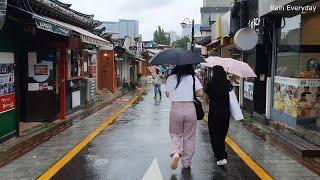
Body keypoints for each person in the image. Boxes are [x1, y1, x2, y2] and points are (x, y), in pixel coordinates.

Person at [165, 64, 203, 170]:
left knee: (175, 134)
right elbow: (200, 93)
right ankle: (186, 163)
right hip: (190, 109)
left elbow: (168, 94)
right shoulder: (193, 78)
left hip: (175, 108)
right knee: (189, 137)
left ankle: (176, 152)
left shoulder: (171, 78)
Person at [204, 66, 233, 166]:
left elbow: (206, 99)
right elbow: (231, 94)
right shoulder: (227, 83)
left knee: (214, 134)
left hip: (214, 113)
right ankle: (222, 154)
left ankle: (220, 156)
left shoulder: (210, 83)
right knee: (222, 134)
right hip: (225, 113)